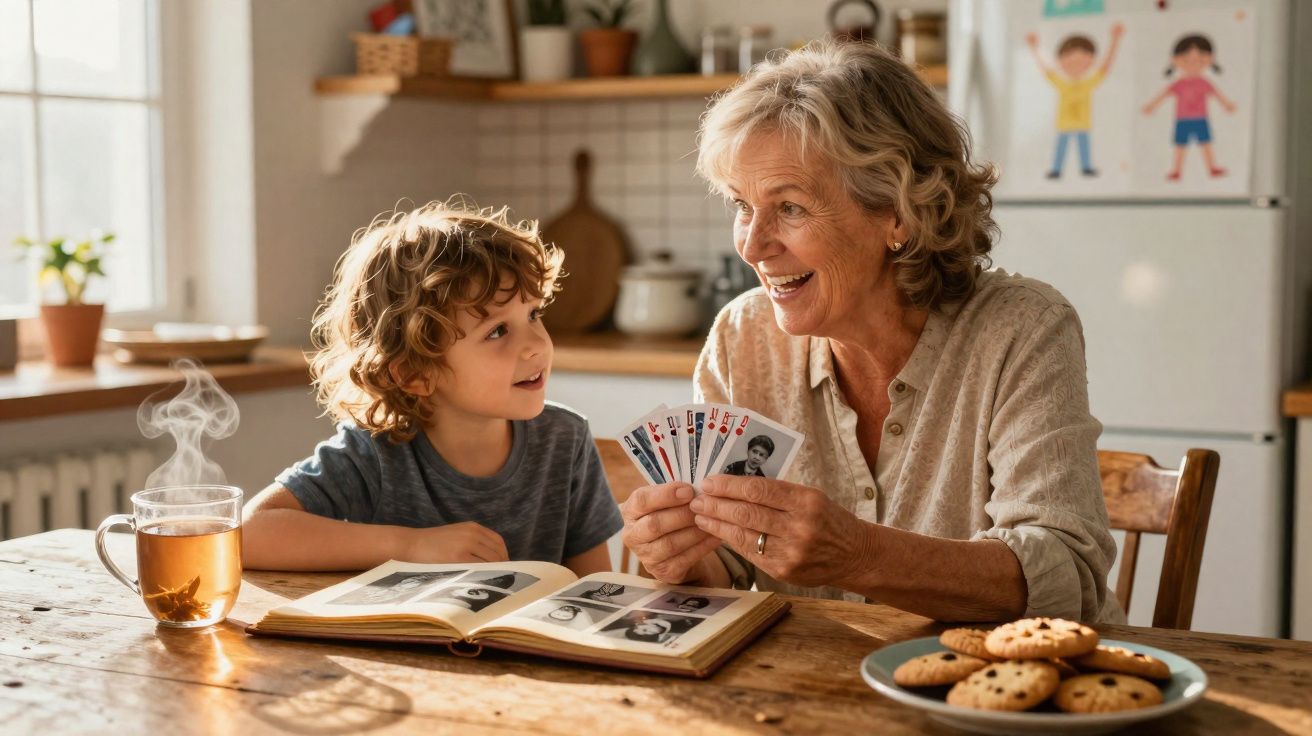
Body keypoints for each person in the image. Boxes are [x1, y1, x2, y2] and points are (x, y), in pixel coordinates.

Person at [619, 40, 1124, 624]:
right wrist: (683, 557)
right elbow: (735, 571)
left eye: (789, 208)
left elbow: (1066, 575)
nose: (752, 246)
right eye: (741, 205)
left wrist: (858, 554)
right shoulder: (743, 335)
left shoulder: (1022, 329)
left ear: (898, 214)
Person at [240, 200, 623, 576]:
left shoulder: (565, 439)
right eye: (498, 331)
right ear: (414, 374)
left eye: (533, 314)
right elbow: (248, 534)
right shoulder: (373, 453)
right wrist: (410, 545)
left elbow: (596, 590)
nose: (537, 344)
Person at [1025, 24, 1125, 179]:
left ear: (1091, 61)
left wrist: (1115, 39)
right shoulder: (1062, 83)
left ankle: (1085, 167)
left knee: (1083, 146)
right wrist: (1034, 48)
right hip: (1064, 124)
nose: (1076, 64)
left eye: (1082, 60)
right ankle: (1057, 169)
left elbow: (1105, 66)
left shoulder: (1088, 83)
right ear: (1060, 61)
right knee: (1061, 147)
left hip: (1082, 124)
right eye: (1071, 60)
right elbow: (1045, 69)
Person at [1142, 34, 1237, 180]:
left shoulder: (1204, 82)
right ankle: (1177, 170)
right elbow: (1163, 95)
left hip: (1200, 118)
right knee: (1180, 146)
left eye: (1200, 60)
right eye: (1187, 60)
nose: (1193, 64)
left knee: (1205, 144)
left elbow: (1217, 95)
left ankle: (1212, 168)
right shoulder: (1178, 84)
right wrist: (1151, 106)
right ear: (1175, 61)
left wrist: (1227, 105)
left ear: (1209, 60)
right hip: (1182, 120)